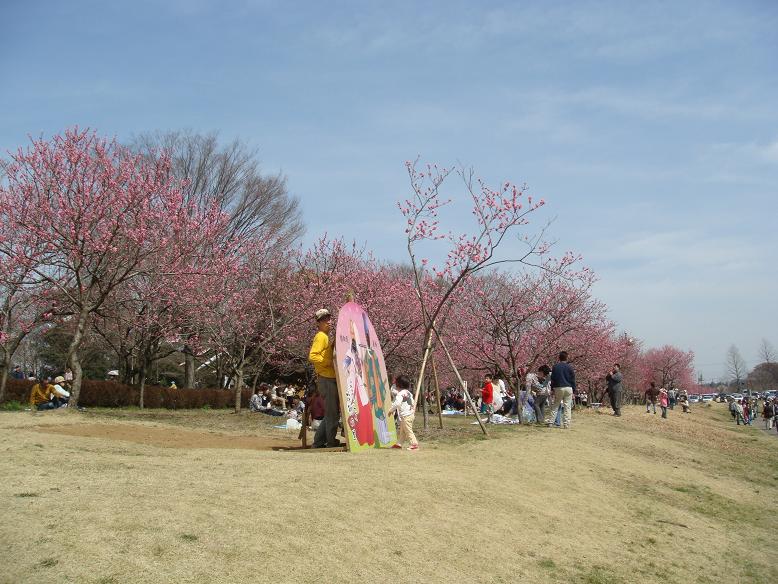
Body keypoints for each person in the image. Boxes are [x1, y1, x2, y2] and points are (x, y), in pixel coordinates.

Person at [309, 309, 341, 448]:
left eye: (329, 319)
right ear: (318, 323)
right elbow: (313, 356)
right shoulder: (321, 336)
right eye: (324, 320)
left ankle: (319, 441)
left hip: (328, 378)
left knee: (331, 413)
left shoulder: (326, 337)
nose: (328, 322)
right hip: (326, 379)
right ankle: (330, 441)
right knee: (332, 413)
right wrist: (329, 362)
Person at [387, 375, 419, 450]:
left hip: (406, 416)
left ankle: (414, 444)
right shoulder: (409, 393)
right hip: (410, 414)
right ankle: (399, 444)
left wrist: (391, 410)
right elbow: (413, 402)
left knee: (408, 430)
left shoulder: (400, 394)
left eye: (396, 384)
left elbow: (397, 403)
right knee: (403, 430)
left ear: (399, 385)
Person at [548, 351, 575, 429]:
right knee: (567, 406)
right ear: (567, 358)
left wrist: (552, 389)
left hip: (558, 387)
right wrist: (574, 390)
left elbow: (553, 379)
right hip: (568, 388)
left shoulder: (555, 367)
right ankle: (566, 424)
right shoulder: (570, 367)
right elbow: (573, 379)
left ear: (559, 358)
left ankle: (551, 422)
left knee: (556, 405)